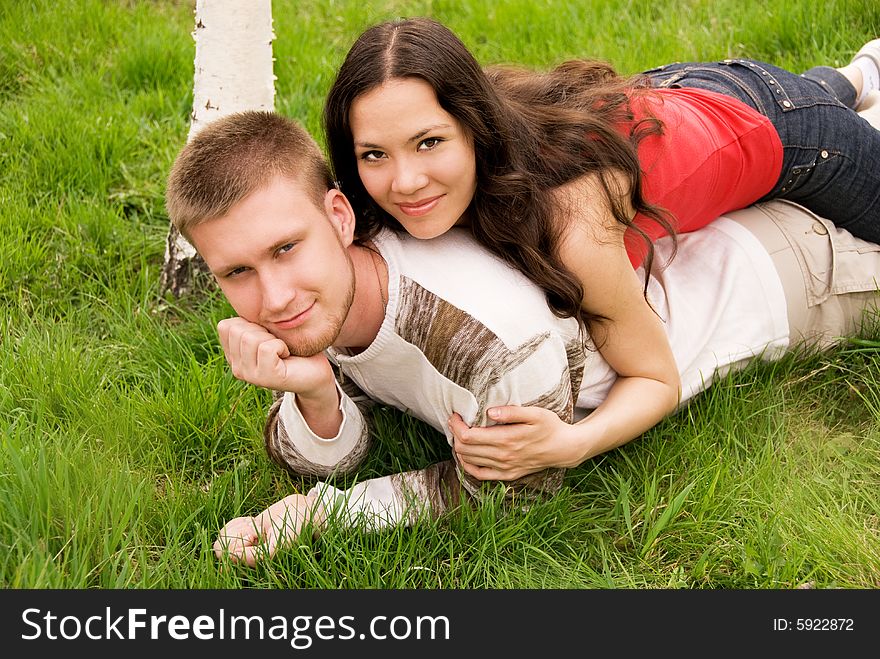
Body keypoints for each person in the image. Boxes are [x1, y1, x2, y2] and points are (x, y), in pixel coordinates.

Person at [164, 110, 880, 566]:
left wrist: (325, 516)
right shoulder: (343, 281)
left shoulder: (485, 337)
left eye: (286, 248)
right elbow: (328, 450)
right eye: (237, 271)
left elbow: (513, 494)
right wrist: (315, 388)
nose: (275, 297)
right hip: (684, 219)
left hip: (792, 271)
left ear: (340, 214)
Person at [323, 18, 880, 484]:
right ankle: (859, 77)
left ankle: (852, 84)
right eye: (374, 155)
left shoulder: (569, 220)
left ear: (476, 128)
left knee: (817, 115)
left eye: (429, 143)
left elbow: (656, 377)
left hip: (786, 133)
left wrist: (574, 443)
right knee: (818, 97)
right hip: (683, 97)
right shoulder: (412, 192)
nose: (406, 182)